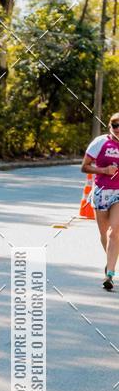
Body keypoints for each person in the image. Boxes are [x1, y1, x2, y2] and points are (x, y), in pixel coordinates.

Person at [81, 112, 119, 290]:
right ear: (110, 127)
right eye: (115, 126)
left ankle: (109, 275)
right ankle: (110, 261)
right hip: (101, 193)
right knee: (104, 235)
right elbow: (85, 167)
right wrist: (104, 170)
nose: (118, 129)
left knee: (114, 232)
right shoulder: (100, 142)